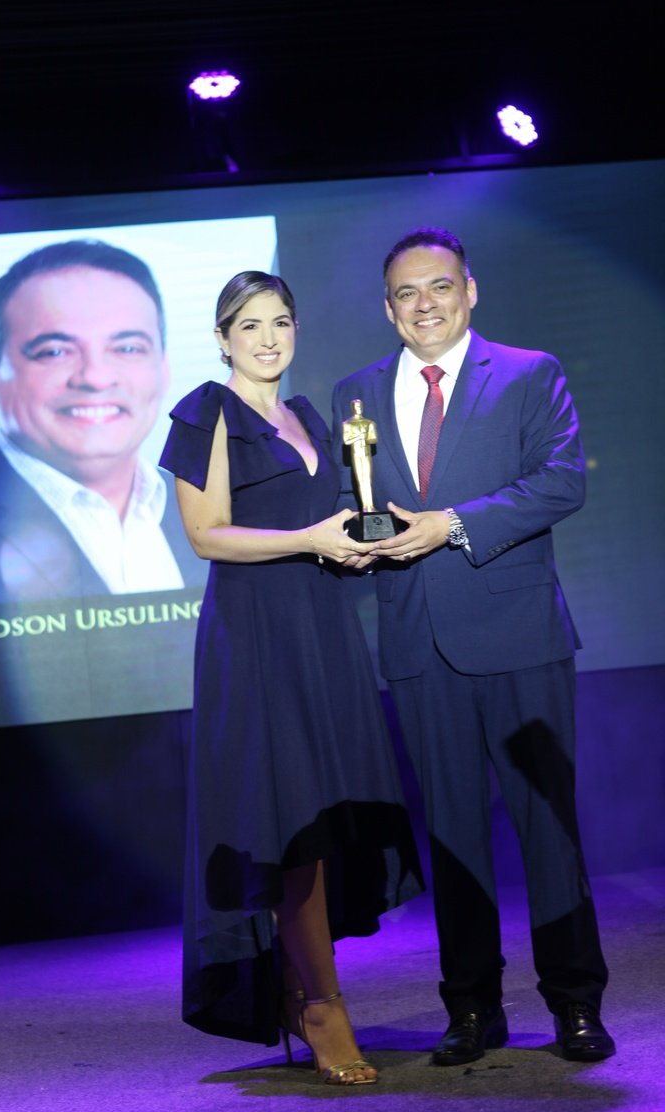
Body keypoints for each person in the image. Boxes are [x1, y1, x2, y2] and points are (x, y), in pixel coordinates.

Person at [331, 226, 614, 1066]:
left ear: (470, 291)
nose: (425, 304)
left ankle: (575, 1003)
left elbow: (561, 481)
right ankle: (471, 1008)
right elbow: (354, 505)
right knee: (452, 835)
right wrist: (347, 544)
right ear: (389, 309)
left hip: (520, 636)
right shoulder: (356, 393)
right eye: (407, 293)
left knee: (548, 828)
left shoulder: (529, 373)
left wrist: (451, 524)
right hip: (417, 642)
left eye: (440, 286)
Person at [159, 271, 423, 1084]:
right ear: (222, 338)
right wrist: (311, 538)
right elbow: (206, 535)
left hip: (322, 627)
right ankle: (321, 1006)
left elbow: (330, 520)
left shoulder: (309, 415)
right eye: (249, 325)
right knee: (293, 822)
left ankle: (297, 988)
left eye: (280, 322)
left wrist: (354, 546)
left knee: (327, 816)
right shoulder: (207, 411)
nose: (268, 338)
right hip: (257, 636)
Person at [0, 239, 204, 611]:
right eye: (54, 352)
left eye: (128, 348)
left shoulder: (218, 508)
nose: (95, 377)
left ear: (162, 369)